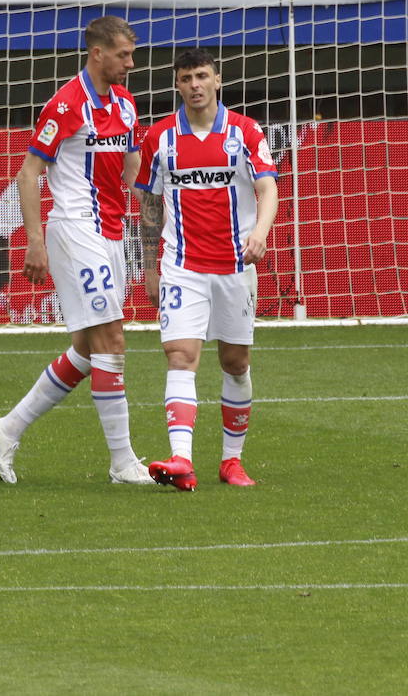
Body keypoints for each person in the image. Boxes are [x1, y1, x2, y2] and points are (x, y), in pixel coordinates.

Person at [0, 15, 153, 485]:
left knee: (86, 347)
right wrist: (34, 241)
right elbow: (28, 173)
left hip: (112, 233)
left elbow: (133, 163)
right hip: (75, 230)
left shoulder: (125, 103)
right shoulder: (66, 104)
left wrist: (151, 207)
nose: (130, 63)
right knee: (112, 340)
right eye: (123, 54)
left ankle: (8, 427)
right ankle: (122, 462)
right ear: (97, 53)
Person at [135, 49, 279, 491]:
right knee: (180, 355)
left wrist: (260, 232)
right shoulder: (160, 138)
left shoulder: (245, 132)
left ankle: (231, 462)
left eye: (202, 76)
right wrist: (149, 266)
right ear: (176, 86)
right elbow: (149, 203)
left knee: (235, 363)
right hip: (182, 266)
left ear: (217, 81)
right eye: (185, 78)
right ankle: (181, 460)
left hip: (236, 266)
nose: (194, 85)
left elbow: (267, 187)